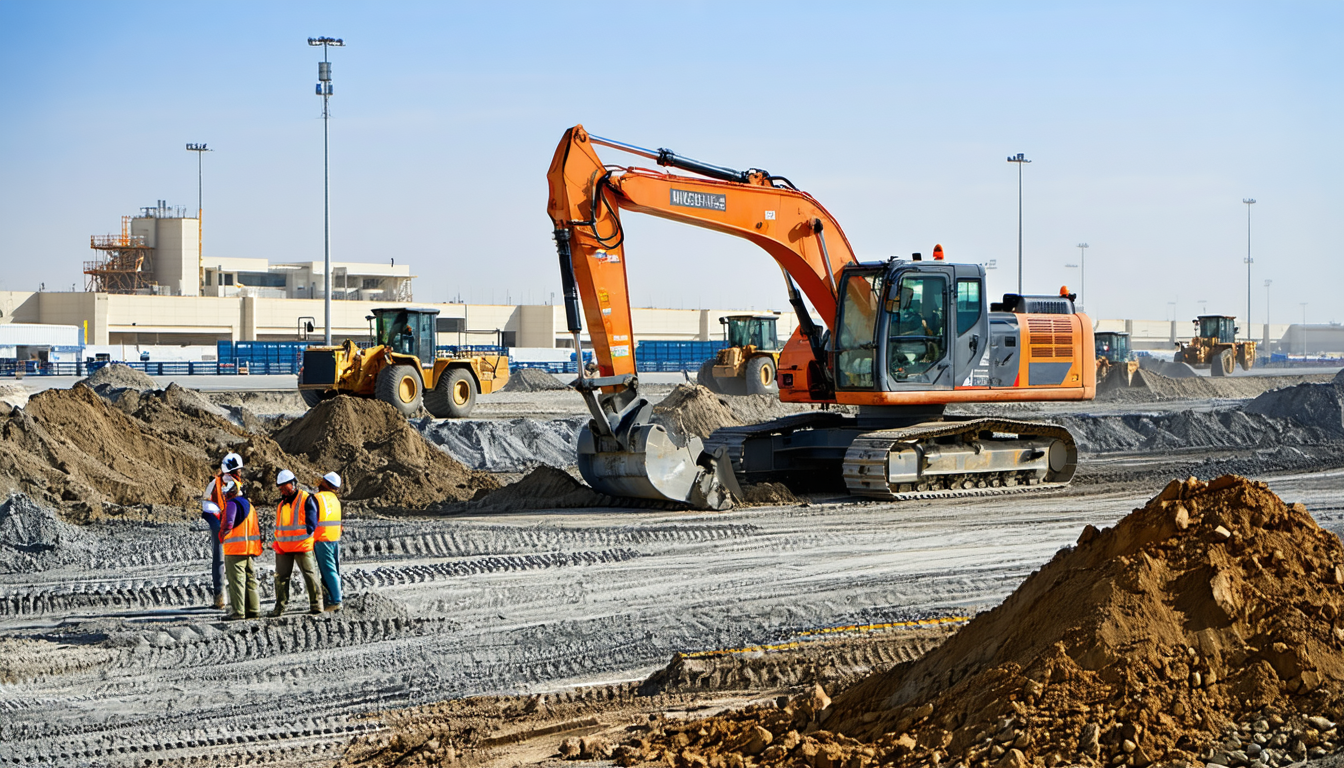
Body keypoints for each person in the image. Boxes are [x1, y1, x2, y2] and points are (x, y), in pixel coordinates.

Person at [268, 469, 324, 617]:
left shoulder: (306, 499)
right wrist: (277, 542)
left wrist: (307, 535)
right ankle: (279, 607)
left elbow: (312, 522)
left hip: (302, 546)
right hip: (284, 548)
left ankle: (316, 605)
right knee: (280, 577)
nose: (284, 491)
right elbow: (280, 526)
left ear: (293, 484)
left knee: (310, 575)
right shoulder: (281, 504)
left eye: (286, 487)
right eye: (281, 488)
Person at [201, 452, 244, 610]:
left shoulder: (216, 483)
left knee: (220, 561)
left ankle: (221, 599)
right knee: (234, 561)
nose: (240, 472)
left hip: (220, 524)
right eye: (239, 469)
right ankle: (235, 598)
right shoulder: (234, 484)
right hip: (230, 526)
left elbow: (207, 505)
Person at [218, 476, 261, 620]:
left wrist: (222, 534)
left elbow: (229, 522)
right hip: (249, 548)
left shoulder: (232, 504)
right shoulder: (248, 504)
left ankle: (238, 611)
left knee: (236, 581)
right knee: (250, 579)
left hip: (235, 549)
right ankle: (254, 609)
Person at [312, 472, 344, 612]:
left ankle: (336, 600)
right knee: (333, 569)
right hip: (334, 538)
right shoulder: (335, 500)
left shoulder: (318, 498)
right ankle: (331, 598)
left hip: (322, 538)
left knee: (328, 570)